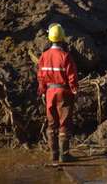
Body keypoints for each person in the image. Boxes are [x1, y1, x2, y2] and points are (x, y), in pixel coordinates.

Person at [37, 23, 79, 165]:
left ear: (50, 38)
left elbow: (41, 76)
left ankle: (53, 155)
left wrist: (42, 90)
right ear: (62, 38)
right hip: (64, 91)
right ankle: (64, 156)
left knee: (52, 123)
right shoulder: (65, 56)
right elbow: (72, 76)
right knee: (64, 123)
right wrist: (74, 89)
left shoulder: (44, 56)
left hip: (49, 92)